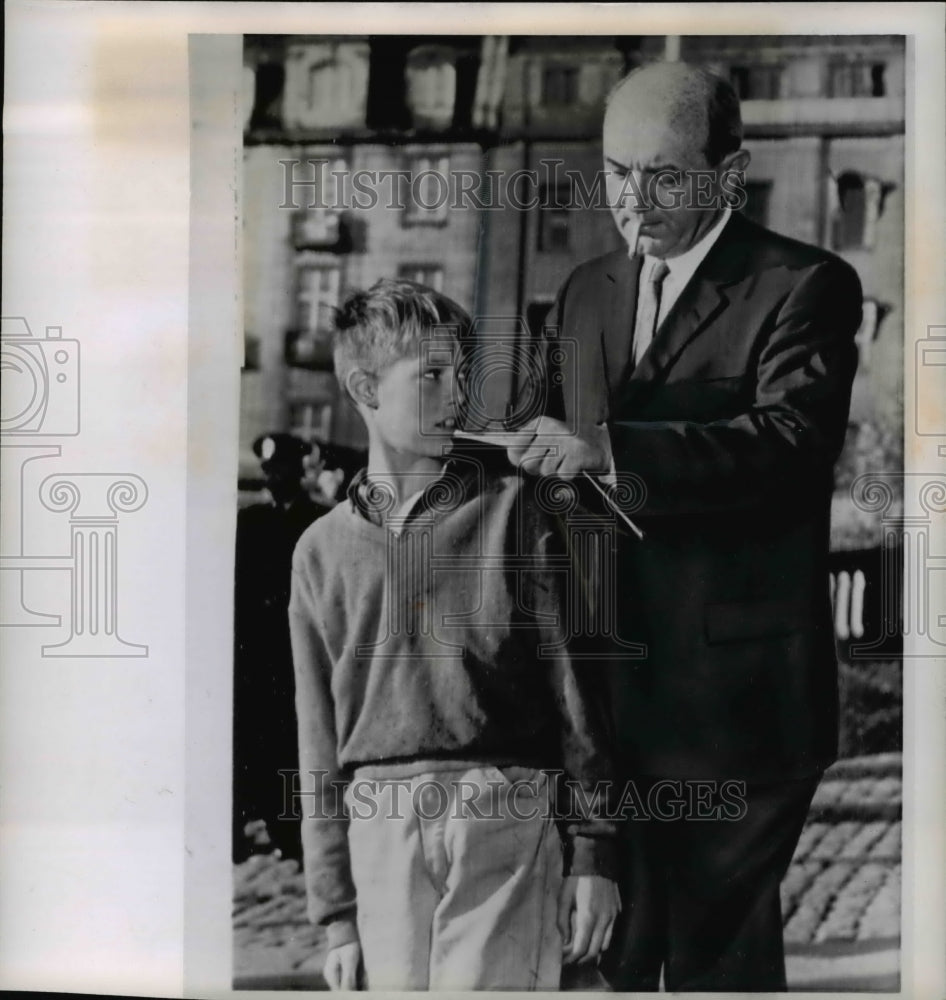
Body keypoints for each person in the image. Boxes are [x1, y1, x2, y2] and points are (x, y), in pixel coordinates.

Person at [500, 62, 863, 991]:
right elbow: (554, 445)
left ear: (729, 174)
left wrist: (610, 448)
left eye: (665, 175)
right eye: (617, 171)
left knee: (718, 964)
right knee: (619, 960)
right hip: (609, 697)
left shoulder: (804, 285)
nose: (634, 199)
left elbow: (789, 443)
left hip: (738, 705)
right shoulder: (584, 292)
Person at [287, 278, 620, 991]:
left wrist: (594, 853)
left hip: (502, 810)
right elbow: (316, 738)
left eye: (463, 376)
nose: (456, 395)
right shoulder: (319, 550)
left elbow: (575, 689)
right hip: (379, 825)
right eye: (432, 376)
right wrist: (336, 914)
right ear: (365, 388)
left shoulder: (515, 513)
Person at [233, 432, 330, 862]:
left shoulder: (319, 523)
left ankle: (291, 830)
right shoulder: (250, 523)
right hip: (256, 655)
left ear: (298, 472)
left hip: (298, 652)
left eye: (282, 470)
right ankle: (261, 819)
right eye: (269, 471)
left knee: (294, 737)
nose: (275, 478)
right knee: (256, 738)